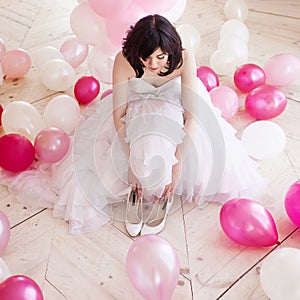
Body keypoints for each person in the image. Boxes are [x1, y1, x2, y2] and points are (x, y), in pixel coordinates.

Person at [0, 14, 267, 236]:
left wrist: (177, 164)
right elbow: (119, 114)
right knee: (142, 139)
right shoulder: (123, 59)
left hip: (176, 105)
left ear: (171, 51)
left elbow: (191, 114)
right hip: (135, 106)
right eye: (146, 58)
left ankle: (164, 192)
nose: (153, 65)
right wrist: (128, 158)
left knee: (167, 138)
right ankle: (136, 191)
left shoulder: (184, 57)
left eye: (161, 58)